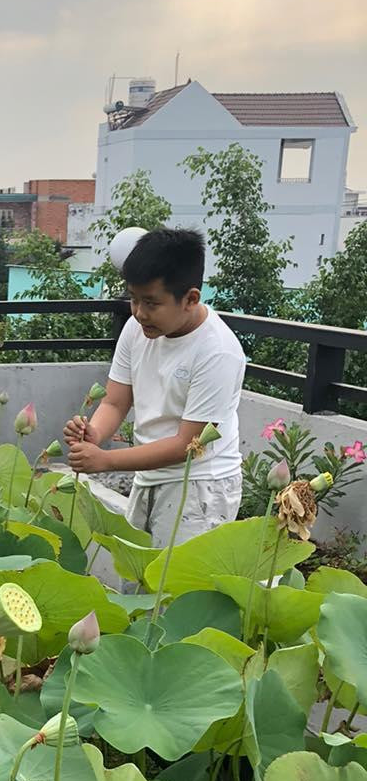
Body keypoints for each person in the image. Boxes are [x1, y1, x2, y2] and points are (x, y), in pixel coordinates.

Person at [64, 226, 246, 545]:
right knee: (138, 586)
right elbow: (114, 402)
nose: (138, 312)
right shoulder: (137, 328)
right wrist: (95, 434)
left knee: (177, 591)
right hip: (148, 476)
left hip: (200, 487)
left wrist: (105, 460)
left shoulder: (217, 352)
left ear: (190, 299)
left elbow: (188, 445)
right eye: (133, 299)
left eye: (151, 303)